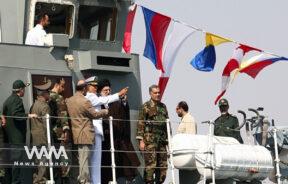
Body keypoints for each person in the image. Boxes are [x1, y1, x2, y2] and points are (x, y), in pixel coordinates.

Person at [84, 76, 128, 184]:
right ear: (88, 86)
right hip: (94, 131)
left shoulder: (91, 96)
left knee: (96, 161)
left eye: (96, 86)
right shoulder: (90, 96)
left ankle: (96, 182)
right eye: (94, 86)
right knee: (95, 161)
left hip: (96, 132)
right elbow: (104, 99)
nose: (95, 88)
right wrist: (118, 94)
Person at [66, 80, 108, 184]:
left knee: (79, 160)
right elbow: (94, 115)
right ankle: (85, 181)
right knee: (85, 161)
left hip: (75, 134)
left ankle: (79, 180)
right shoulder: (85, 101)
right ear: (84, 89)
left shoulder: (69, 100)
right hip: (85, 135)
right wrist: (105, 111)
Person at [98, 79, 140, 184]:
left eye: (109, 89)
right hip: (105, 140)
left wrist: (124, 102)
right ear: (100, 91)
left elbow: (124, 114)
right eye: (105, 90)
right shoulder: (97, 103)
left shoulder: (116, 102)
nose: (108, 92)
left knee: (124, 161)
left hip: (117, 137)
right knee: (106, 165)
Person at [1, 80, 37, 183]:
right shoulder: (17, 100)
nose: (24, 91)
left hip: (9, 138)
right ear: (20, 90)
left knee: (10, 163)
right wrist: (29, 115)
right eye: (24, 89)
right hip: (16, 139)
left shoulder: (7, 100)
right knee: (17, 163)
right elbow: (16, 115)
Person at [136, 84, 169, 184]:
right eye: (155, 93)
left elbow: (167, 123)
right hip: (150, 141)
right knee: (151, 166)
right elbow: (140, 123)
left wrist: (169, 141)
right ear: (150, 93)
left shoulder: (163, 107)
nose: (158, 94)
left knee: (163, 167)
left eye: (159, 92)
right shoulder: (145, 106)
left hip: (162, 141)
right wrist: (141, 140)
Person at [49, 78, 71, 183]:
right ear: (57, 85)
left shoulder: (46, 97)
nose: (64, 88)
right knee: (64, 158)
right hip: (59, 133)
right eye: (62, 86)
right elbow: (63, 115)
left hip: (50, 133)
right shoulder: (59, 98)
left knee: (53, 158)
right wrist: (66, 130)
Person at [30, 81, 51, 184]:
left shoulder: (34, 105)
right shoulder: (45, 106)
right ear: (43, 94)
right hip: (43, 138)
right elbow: (46, 124)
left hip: (34, 138)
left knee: (37, 161)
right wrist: (49, 140)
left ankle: (36, 180)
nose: (49, 94)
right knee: (43, 162)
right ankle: (40, 181)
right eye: (48, 92)